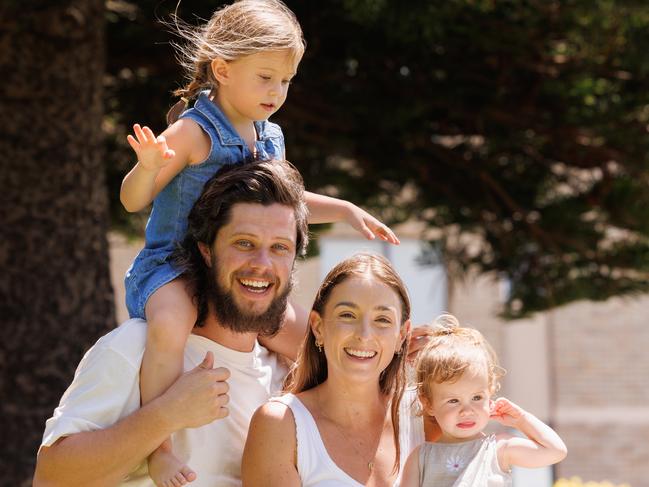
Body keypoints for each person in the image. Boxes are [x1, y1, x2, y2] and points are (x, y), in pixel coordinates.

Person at [119, 1, 398, 483]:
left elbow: (288, 201)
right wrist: (146, 167)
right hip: (177, 266)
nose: (277, 91)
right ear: (223, 69)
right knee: (169, 324)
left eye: (286, 80)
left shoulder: (270, 138)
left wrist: (347, 210)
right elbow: (131, 199)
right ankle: (159, 445)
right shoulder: (193, 131)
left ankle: (313, 435)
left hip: (241, 276)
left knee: (304, 338)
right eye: (265, 77)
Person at [34, 159, 309, 487]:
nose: (261, 264)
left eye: (279, 248)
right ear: (207, 251)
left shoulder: (289, 374)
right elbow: (51, 477)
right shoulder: (136, 347)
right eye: (244, 244)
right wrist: (166, 415)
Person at [242, 253, 424, 487]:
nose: (364, 335)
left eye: (382, 320)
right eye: (347, 315)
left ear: (401, 336)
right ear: (318, 327)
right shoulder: (282, 424)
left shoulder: (422, 416)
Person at [400, 314, 568, 487]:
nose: (467, 411)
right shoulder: (421, 457)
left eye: (476, 398)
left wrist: (521, 420)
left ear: (490, 396)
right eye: (453, 401)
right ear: (428, 403)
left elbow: (555, 451)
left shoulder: (498, 449)